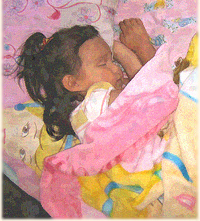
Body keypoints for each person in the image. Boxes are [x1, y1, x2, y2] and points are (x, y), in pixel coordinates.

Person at [16, 19, 155, 142]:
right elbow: (154, 90)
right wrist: (137, 49)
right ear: (73, 83)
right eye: (103, 64)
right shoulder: (94, 103)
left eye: (112, 60)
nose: (116, 68)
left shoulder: (86, 112)